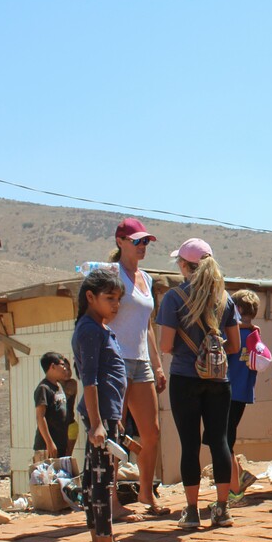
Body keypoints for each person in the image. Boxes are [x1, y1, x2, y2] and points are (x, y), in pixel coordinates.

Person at [157, 238, 242, 530]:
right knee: (220, 442)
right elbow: (235, 346)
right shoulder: (225, 300)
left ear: (184, 265)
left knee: (189, 444)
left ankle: (191, 511)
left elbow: (166, 345)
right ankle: (221, 509)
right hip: (219, 379)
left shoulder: (173, 298)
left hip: (184, 377)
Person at [73, 268, 144, 542]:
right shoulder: (90, 330)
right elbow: (90, 381)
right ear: (91, 297)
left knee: (94, 481)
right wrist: (99, 423)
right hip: (100, 418)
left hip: (108, 416)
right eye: (109, 298)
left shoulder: (100, 328)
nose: (115, 305)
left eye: (118, 299)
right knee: (103, 483)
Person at [106, 217, 169, 517]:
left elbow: (149, 326)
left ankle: (146, 492)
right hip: (115, 359)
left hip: (141, 361)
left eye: (146, 241)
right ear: (120, 242)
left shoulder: (147, 278)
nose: (143, 246)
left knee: (151, 431)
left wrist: (157, 365)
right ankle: (110, 500)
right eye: (137, 241)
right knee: (113, 431)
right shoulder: (110, 274)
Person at [227, 289, 272, 503]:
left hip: (227, 391)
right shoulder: (254, 334)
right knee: (227, 438)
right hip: (243, 392)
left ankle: (235, 489)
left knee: (223, 440)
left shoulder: (233, 332)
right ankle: (238, 478)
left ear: (239, 309)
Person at [33, 352, 72, 461]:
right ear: (53, 366)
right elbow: (40, 417)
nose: (65, 368)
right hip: (47, 447)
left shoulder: (59, 386)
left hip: (61, 444)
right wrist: (49, 443)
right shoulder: (44, 388)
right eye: (62, 365)